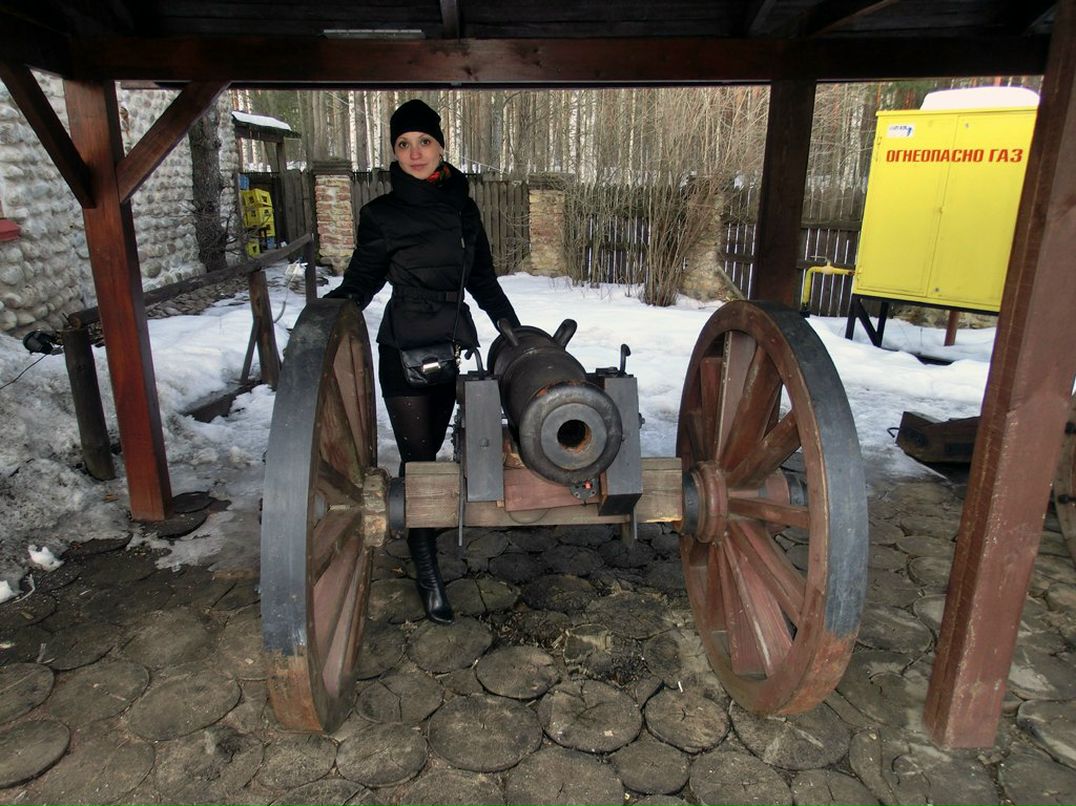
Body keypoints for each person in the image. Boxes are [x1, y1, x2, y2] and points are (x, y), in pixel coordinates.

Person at [326, 99, 520, 625]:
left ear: (441, 147)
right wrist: (328, 315)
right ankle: (428, 569)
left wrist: (512, 327)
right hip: (406, 347)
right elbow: (362, 282)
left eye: (424, 142)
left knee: (452, 443)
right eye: (403, 145)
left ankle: (439, 530)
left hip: (454, 343)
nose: (414, 153)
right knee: (420, 463)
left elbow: (481, 277)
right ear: (393, 153)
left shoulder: (464, 207)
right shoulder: (380, 215)